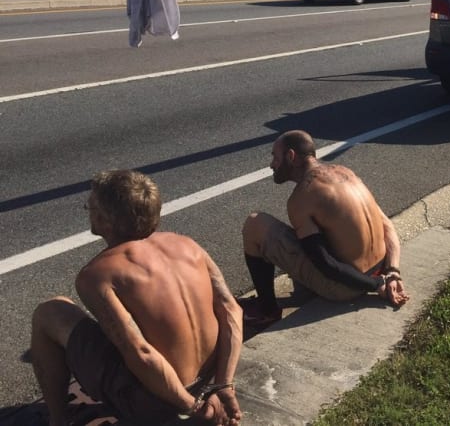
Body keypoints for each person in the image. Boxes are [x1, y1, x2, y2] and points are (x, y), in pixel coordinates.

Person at [30, 170, 243, 426]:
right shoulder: (188, 246)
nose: (88, 210)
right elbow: (232, 310)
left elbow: (140, 352)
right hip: (209, 381)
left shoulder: (97, 275)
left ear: (106, 220)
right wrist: (225, 385)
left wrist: (193, 408)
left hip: (160, 404)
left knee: (50, 312)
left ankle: (58, 421)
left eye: (91, 205)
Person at [240, 130, 408, 327]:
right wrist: (392, 272)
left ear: (291, 156)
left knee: (255, 224)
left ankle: (266, 311)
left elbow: (325, 263)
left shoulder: (302, 196)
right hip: (380, 268)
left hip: (345, 287)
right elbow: (387, 226)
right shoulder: (346, 173)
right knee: (312, 234)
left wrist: (376, 285)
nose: (272, 165)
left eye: (275, 157)